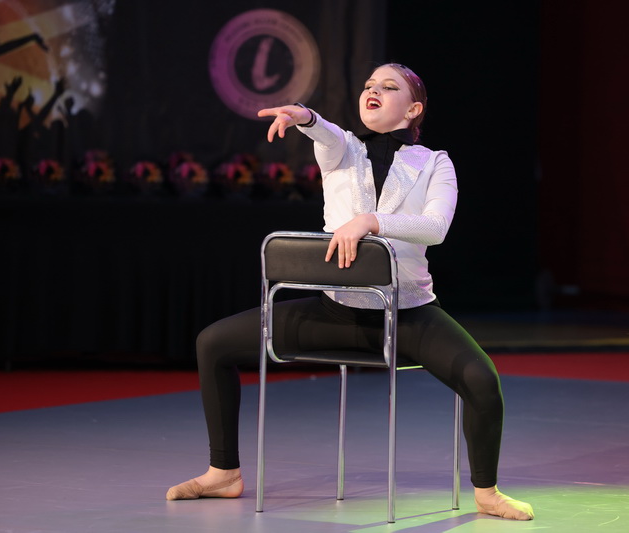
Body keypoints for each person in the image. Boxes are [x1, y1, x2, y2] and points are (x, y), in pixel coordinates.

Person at [166, 63, 534, 521]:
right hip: (334, 313)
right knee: (212, 343)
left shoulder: (435, 162)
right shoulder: (344, 149)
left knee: (482, 380)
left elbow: (435, 227)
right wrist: (304, 116)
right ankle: (223, 473)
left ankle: (487, 492)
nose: (373, 90)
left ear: (413, 109)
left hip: (407, 316)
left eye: (389, 87)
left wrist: (371, 221)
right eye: (368, 85)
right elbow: (325, 132)